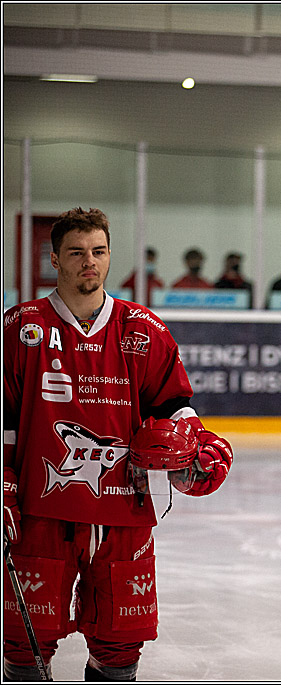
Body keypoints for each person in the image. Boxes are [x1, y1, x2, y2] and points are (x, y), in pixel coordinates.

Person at [2, 207, 234, 681]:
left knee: (120, 647)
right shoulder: (21, 328)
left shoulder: (143, 330)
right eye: (76, 253)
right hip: (39, 512)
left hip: (124, 510)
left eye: (99, 251)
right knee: (24, 644)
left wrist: (198, 446)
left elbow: (174, 406)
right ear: (54, 259)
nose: (89, 261)